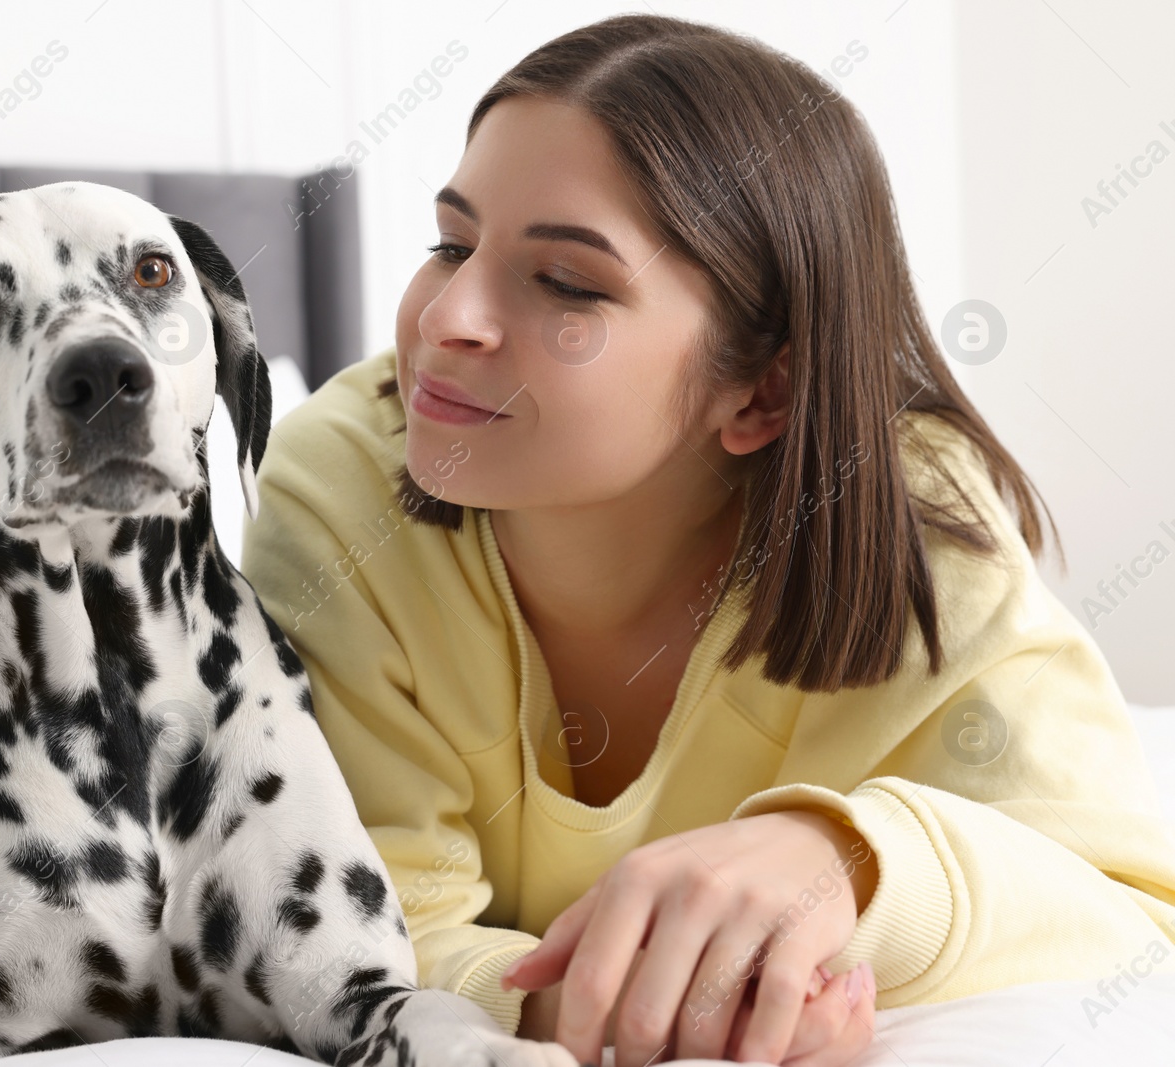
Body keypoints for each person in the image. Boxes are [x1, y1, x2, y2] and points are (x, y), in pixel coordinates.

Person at [239, 13, 1175, 1066]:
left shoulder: (908, 513)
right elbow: (346, 929)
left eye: (565, 283)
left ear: (763, 388)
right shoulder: (338, 490)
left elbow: (1127, 902)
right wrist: (620, 1002)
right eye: (450, 243)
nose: (447, 315)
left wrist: (842, 858)